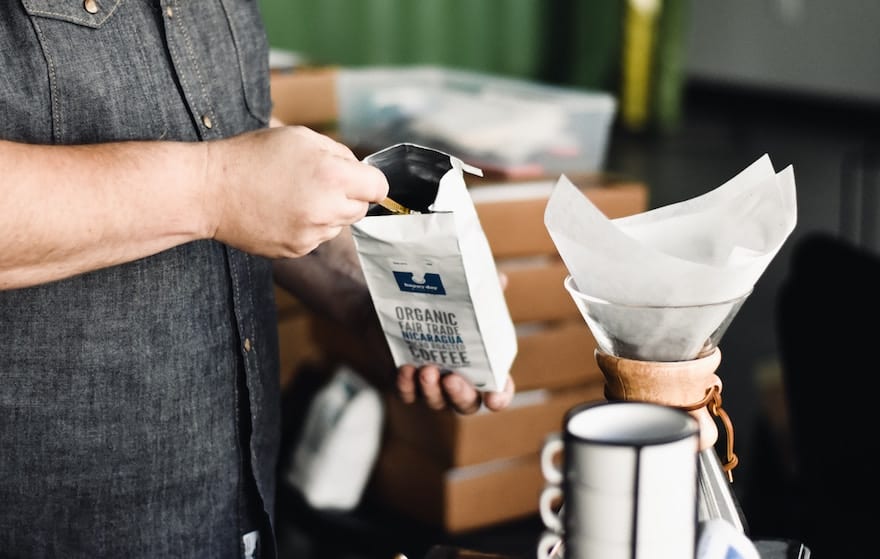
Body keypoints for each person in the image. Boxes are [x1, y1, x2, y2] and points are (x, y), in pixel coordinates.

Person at [0, 3, 514, 559]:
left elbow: (227, 142)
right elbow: (227, 181)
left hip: (237, 510)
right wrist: (214, 188)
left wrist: (371, 303)